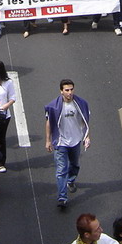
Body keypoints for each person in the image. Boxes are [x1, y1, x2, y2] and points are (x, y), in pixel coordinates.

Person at [45, 78, 91, 209]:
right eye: (67, 90)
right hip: (61, 142)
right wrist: (48, 140)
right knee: (61, 170)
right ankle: (62, 197)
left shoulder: (81, 104)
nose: (70, 92)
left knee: (75, 164)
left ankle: (71, 181)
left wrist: (87, 137)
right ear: (61, 91)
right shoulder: (53, 106)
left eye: (71, 89)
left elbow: (85, 121)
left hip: (75, 140)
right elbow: (48, 122)